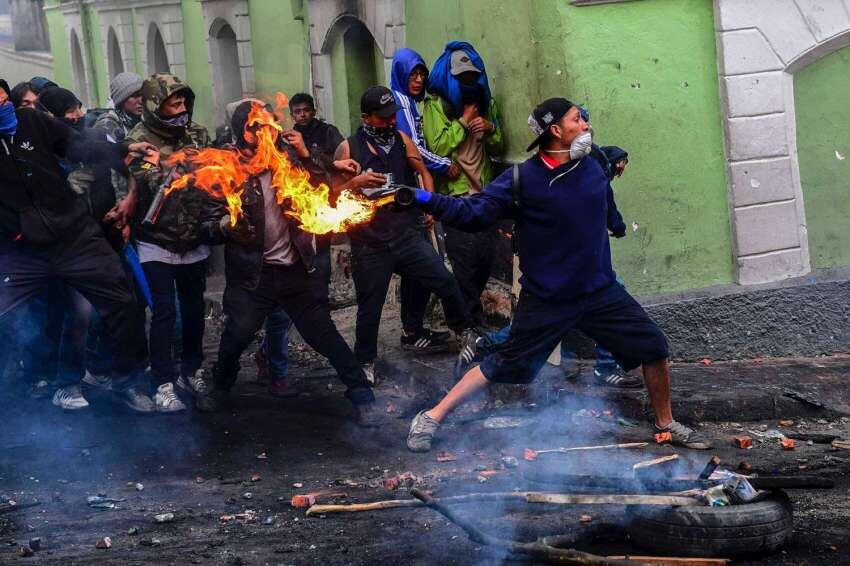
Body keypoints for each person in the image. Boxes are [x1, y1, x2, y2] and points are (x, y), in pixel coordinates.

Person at [404, 97, 712, 452]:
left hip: (600, 291)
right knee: (507, 364)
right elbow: (472, 212)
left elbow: (605, 183)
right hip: (547, 298)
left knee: (653, 345)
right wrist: (421, 198)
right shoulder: (522, 179)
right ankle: (431, 416)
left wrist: (616, 222)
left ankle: (666, 423)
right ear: (555, 131)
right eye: (577, 120)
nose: (586, 126)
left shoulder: (595, 161)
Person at [195, 99, 378, 423]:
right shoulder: (226, 169)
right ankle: (220, 387)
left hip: (294, 270)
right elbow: (206, 225)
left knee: (324, 333)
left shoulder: (290, 161)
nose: (262, 133)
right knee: (237, 335)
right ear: (242, 132)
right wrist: (225, 225)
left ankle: (362, 395)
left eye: (266, 125)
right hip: (254, 276)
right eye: (254, 128)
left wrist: (308, 155)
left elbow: (324, 187)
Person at [0, 77, 156, 412]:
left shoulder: (30, 122)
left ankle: (126, 381)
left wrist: (123, 148)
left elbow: (79, 146)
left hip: (73, 236)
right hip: (21, 251)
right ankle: (23, 385)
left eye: (1, 100)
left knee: (122, 301)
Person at [333, 86, 479, 383]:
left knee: (445, 281)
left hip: (406, 234)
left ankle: (466, 335)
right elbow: (331, 196)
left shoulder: (401, 139)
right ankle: (365, 363)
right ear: (366, 117)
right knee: (370, 308)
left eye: (392, 116)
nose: (390, 122)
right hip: (369, 242)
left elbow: (422, 169)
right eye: (383, 117)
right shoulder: (348, 148)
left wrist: (429, 202)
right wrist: (356, 181)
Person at [126, 73, 212, 412]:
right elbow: (145, 179)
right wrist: (174, 166)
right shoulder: (139, 139)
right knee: (163, 312)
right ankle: (162, 382)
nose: (181, 110)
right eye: (173, 104)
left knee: (194, 310)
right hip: (155, 240)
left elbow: (215, 175)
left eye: (183, 103)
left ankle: (190, 370)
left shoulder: (198, 133)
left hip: (193, 237)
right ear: (153, 106)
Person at [423, 41, 504, 327]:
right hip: (455, 196)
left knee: (486, 258)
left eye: (471, 76)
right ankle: (468, 324)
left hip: (486, 193)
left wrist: (490, 128)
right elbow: (438, 146)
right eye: (461, 77)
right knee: (463, 262)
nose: (468, 82)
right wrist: (463, 121)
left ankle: (468, 317)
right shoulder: (436, 104)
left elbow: (498, 144)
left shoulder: (486, 103)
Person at [389, 47, 459, 355]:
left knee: (416, 268)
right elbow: (414, 150)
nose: (417, 80)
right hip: (408, 192)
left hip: (412, 188)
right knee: (422, 264)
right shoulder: (400, 102)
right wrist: (445, 164)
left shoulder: (412, 103)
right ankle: (414, 328)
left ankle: (412, 328)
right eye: (412, 74)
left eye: (421, 75)